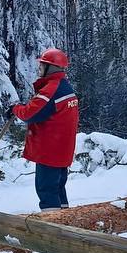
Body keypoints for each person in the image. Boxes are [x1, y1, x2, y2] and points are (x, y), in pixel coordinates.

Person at [8, 48, 79, 210]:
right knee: (58, 189)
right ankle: (65, 222)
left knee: (46, 190)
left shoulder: (51, 89)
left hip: (50, 151)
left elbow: (30, 114)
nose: (39, 69)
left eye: (42, 65)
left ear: (50, 68)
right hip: (62, 150)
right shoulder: (65, 87)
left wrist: (15, 109)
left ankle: (52, 228)